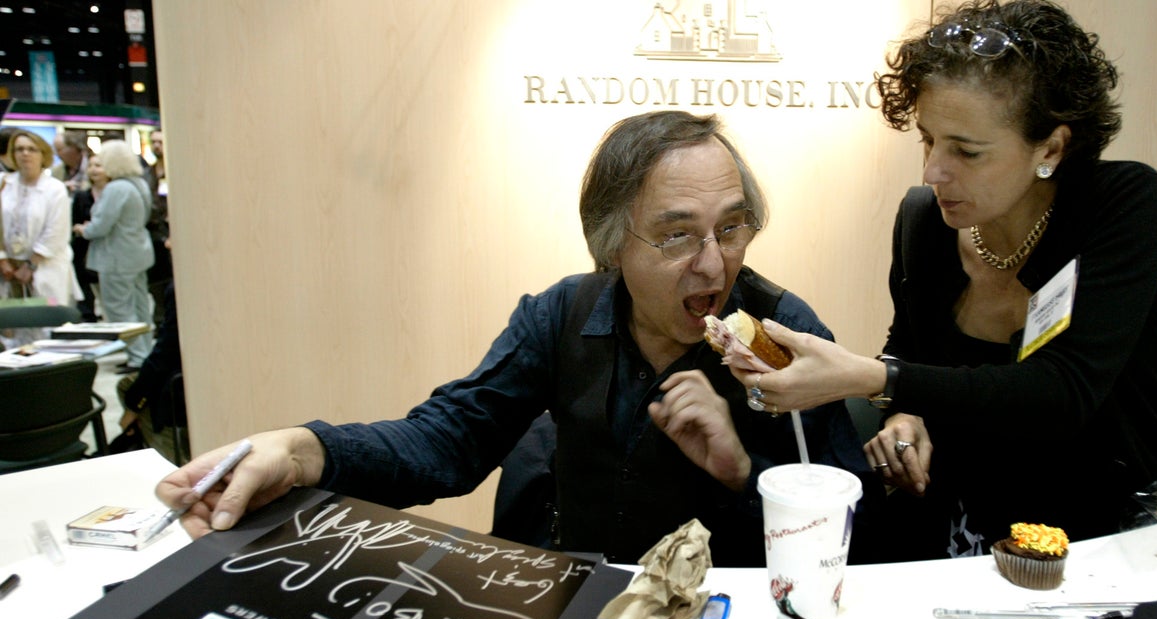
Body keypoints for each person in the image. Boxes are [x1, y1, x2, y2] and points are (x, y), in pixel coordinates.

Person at [155, 110, 884, 567]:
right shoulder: (561, 317)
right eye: (676, 236)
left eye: (731, 227)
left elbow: (848, 534)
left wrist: (736, 477)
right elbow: (447, 441)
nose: (715, 262)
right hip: (583, 609)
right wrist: (304, 450)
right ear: (612, 247)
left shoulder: (789, 336)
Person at [728, 0, 1157, 560]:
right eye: (928, 139)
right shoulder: (924, 222)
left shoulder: (1122, 203)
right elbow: (911, 348)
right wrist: (902, 412)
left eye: (966, 151)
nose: (933, 172)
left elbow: (1064, 392)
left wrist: (873, 379)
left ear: (1051, 147)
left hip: (1111, 529)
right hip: (970, 526)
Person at [73, 140, 154, 372]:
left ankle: (137, 356)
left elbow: (100, 226)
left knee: (120, 308)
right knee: (139, 307)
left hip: (117, 256)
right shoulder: (139, 183)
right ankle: (144, 352)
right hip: (137, 252)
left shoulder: (116, 188)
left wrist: (83, 229)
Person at [0, 130, 80, 346]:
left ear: (42, 153)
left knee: (48, 329)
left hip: (46, 268)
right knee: (13, 330)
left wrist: (30, 265)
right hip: (9, 270)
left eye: (31, 149)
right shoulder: (4, 184)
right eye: (19, 149)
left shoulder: (54, 189)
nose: (25, 154)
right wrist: (3, 260)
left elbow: (56, 232)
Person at [111, 281, 188, 463]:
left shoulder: (185, 286)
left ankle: (170, 464)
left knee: (134, 390)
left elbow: (166, 353)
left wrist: (134, 404)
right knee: (131, 385)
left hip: (185, 378)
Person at [70, 148, 103, 321]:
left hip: (107, 252)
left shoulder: (115, 194)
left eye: (98, 165)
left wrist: (92, 227)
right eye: (90, 165)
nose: (93, 169)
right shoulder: (82, 196)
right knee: (86, 296)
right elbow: (73, 224)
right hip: (84, 252)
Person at [144, 127, 172, 327]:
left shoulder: (177, 171)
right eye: (153, 142)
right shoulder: (147, 174)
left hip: (174, 235)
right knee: (157, 287)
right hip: (154, 238)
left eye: (160, 142)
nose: (157, 146)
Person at [52, 130, 90, 196]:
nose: (57, 154)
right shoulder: (56, 171)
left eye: (60, 150)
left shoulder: (94, 167)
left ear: (74, 147)